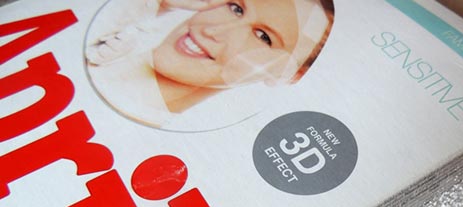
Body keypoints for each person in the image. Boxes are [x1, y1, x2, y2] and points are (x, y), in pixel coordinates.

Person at [86, 0, 335, 130]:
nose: (214, 30)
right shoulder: (114, 25)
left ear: (290, 75)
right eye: (236, 8)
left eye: (263, 37)